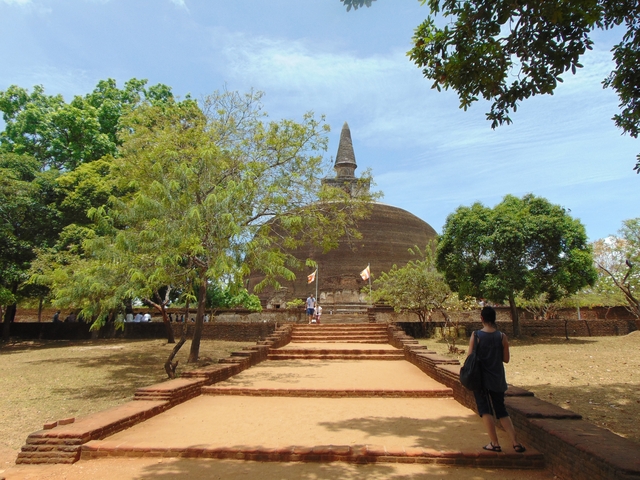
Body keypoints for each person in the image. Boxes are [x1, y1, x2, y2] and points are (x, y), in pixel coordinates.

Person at [467, 306, 526, 453]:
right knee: (501, 410)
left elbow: (469, 358)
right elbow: (506, 359)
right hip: (497, 378)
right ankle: (515, 442)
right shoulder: (502, 336)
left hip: (480, 379)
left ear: (482, 318)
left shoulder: (476, 335)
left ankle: (494, 443)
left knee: (486, 410)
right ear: (495, 319)